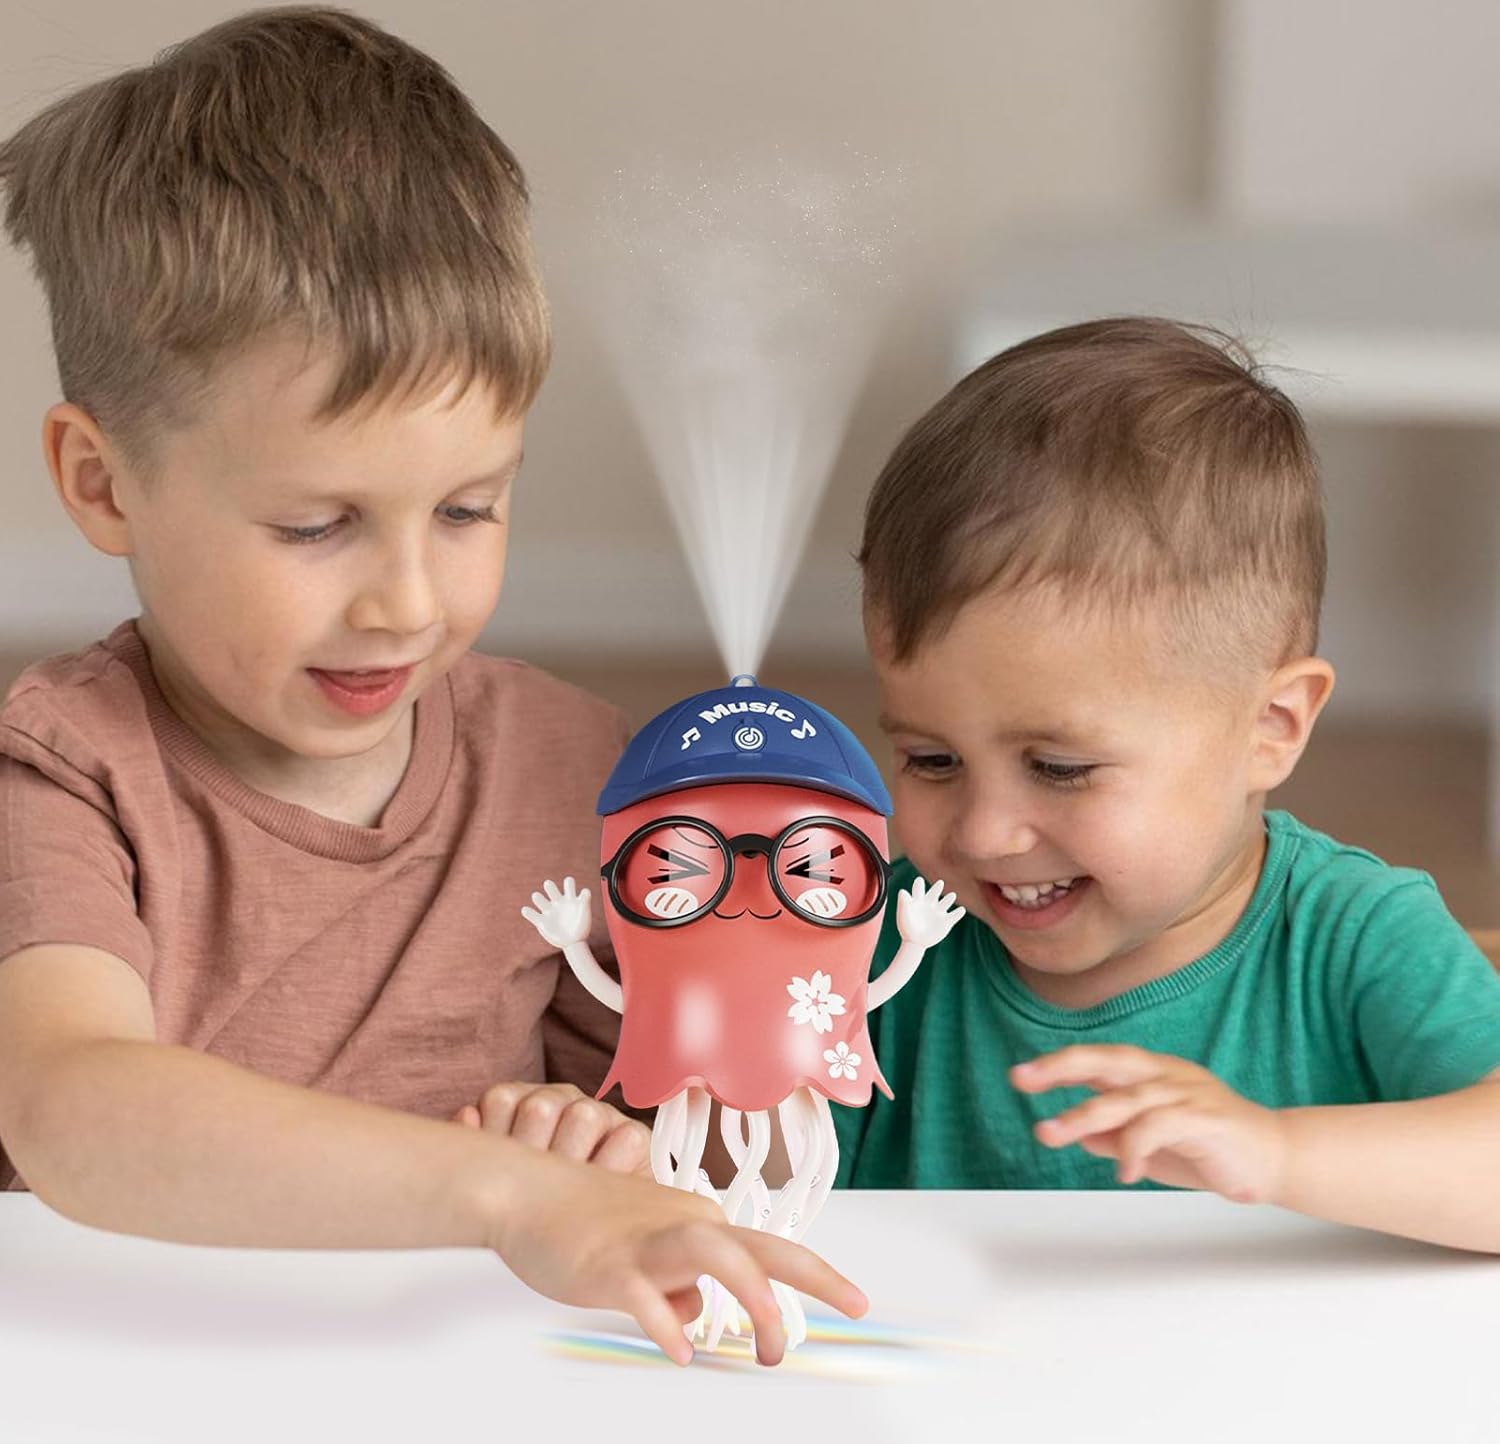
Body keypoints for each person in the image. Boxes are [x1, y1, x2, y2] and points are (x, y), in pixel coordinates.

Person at [0, 6, 864, 1364]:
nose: (407, 602)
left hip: (460, 1387)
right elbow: (71, 1112)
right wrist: (507, 1194)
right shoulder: (64, 769)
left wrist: (607, 1140)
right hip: (123, 1381)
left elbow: (669, 1150)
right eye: (316, 526)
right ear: (103, 483)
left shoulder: (575, 769)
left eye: (468, 510)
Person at [835, 316, 1500, 1252]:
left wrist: (1279, 1155)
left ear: (1271, 729)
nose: (983, 833)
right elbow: (752, 1201)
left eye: (1059, 768)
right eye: (931, 760)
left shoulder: (1356, 937)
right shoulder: (875, 949)